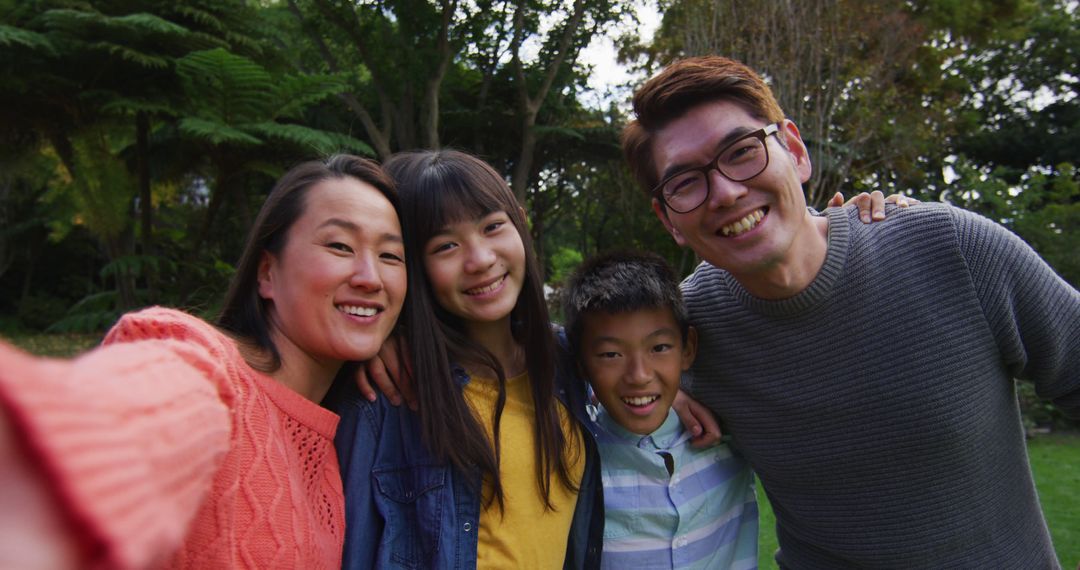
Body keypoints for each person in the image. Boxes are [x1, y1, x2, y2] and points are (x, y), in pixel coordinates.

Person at [622, 54, 1080, 568]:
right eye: (685, 183)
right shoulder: (682, 333)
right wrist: (650, 387)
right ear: (670, 221)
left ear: (793, 150)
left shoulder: (953, 250)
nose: (726, 192)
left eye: (742, 151)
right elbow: (563, 368)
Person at [0, 154, 407, 569]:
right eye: (340, 246)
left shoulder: (339, 447)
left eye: (391, 256)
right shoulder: (208, 369)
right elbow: (114, 421)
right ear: (266, 273)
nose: (369, 277)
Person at [331, 149, 605, 569]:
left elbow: (640, 371)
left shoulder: (566, 361)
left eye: (492, 226)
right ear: (414, 265)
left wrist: (679, 394)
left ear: (520, 222)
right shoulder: (391, 393)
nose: (480, 260)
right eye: (446, 246)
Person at [562, 250, 758, 570]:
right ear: (581, 363)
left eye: (659, 348)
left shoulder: (729, 431)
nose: (639, 375)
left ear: (688, 348)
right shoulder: (575, 462)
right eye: (611, 354)